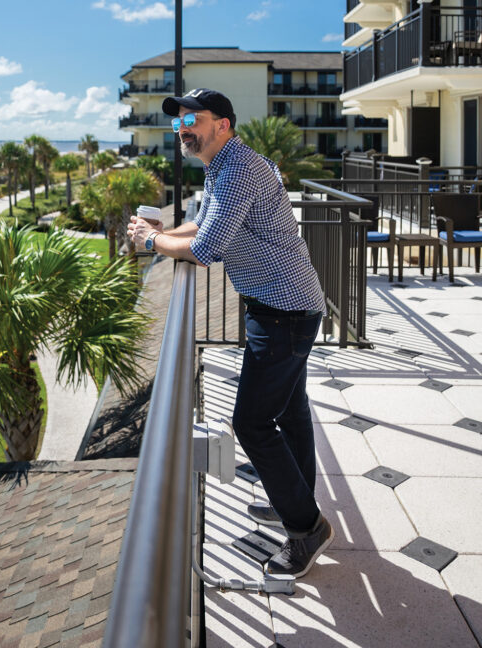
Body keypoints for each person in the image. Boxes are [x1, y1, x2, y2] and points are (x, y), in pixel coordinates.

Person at [128, 88, 334, 578]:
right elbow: (202, 225)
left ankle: (307, 528)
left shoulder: (239, 169)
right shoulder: (223, 167)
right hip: (285, 306)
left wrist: (152, 240)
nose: (183, 129)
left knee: (252, 423)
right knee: (291, 411)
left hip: (283, 313)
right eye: (179, 123)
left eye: (192, 120)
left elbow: (208, 247)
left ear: (222, 124)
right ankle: (295, 501)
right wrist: (158, 239)